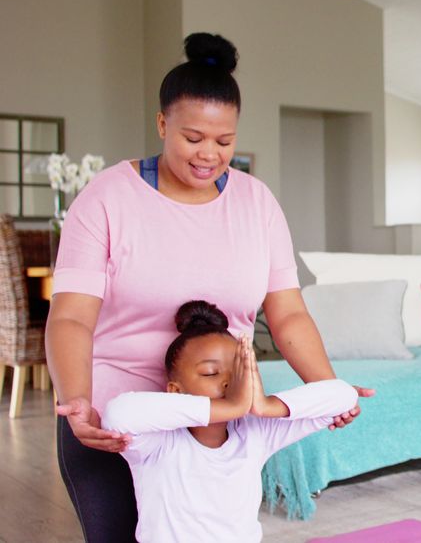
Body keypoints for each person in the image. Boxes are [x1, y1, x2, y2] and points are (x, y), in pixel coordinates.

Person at [45, 32, 373, 542]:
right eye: (193, 138)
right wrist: (77, 402)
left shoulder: (257, 203)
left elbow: (287, 315)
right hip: (117, 419)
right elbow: (70, 318)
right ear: (162, 124)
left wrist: (326, 391)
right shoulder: (107, 197)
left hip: (222, 422)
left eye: (224, 142)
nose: (208, 155)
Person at [96, 301, 357, 543]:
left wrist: (265, 405)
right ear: (175, 391)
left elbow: (343, 395)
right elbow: (118, 415)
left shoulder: (256, 434)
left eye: (238, 371)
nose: (228, 381)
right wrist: (229, 405)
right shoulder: (158, 444)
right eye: (211, 372)